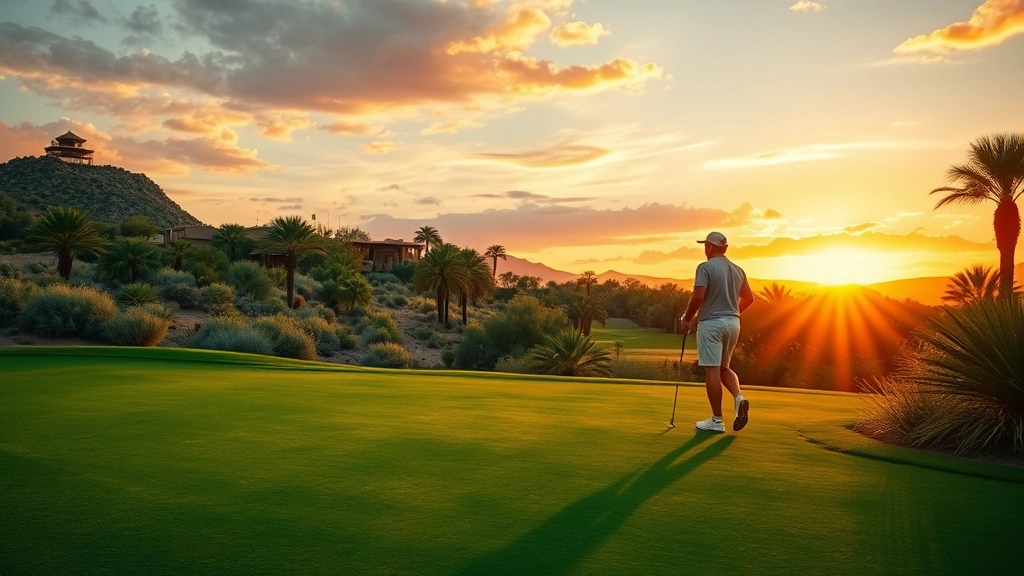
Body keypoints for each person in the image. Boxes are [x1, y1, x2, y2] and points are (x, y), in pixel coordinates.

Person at [680, 231, 755, 432]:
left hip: (712, 324)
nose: (705, 249)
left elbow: (697, 297)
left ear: (710, 247)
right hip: (734, 323)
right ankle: (739, 399)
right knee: (723, 368)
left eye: (705, 245)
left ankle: (717, 420)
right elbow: (749, 298)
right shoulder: (738, 270)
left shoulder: (705, 267)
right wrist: (732, 312)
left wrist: (686, 319)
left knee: (712, 370)